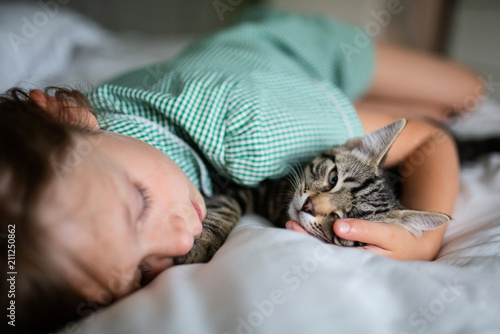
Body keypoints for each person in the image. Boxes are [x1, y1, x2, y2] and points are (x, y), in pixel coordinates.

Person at [0, 6, 483, 333]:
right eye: (143, 270)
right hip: (244, 77)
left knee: (465, 96)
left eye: (141, 204)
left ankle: (335, 98)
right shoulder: (80, 135)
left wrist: (423, 241)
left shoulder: (249, 129)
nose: (178, 242)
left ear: (69, 118)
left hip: (293, 48)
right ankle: (337, 108)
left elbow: (428, 138)